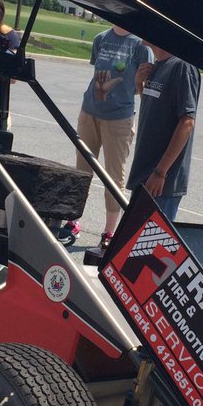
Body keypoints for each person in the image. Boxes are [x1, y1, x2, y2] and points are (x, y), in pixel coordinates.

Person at [61, 25, 153, 250]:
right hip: (90, 111)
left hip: (119, 118)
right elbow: (97, 72)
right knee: (81, 170)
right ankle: (73, 220)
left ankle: (110, 231)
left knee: (114, 175)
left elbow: (143, 85)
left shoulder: (141, 46)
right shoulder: (101, 39)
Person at [127, 46, 201, 221]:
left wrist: (161, 172)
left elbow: (187, 122)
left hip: (161, 181)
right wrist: (139, 85)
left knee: (152, 243)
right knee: (132, 239)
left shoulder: (182, 66)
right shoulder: (156, 66)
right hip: (144, 172)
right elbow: (157, 110)